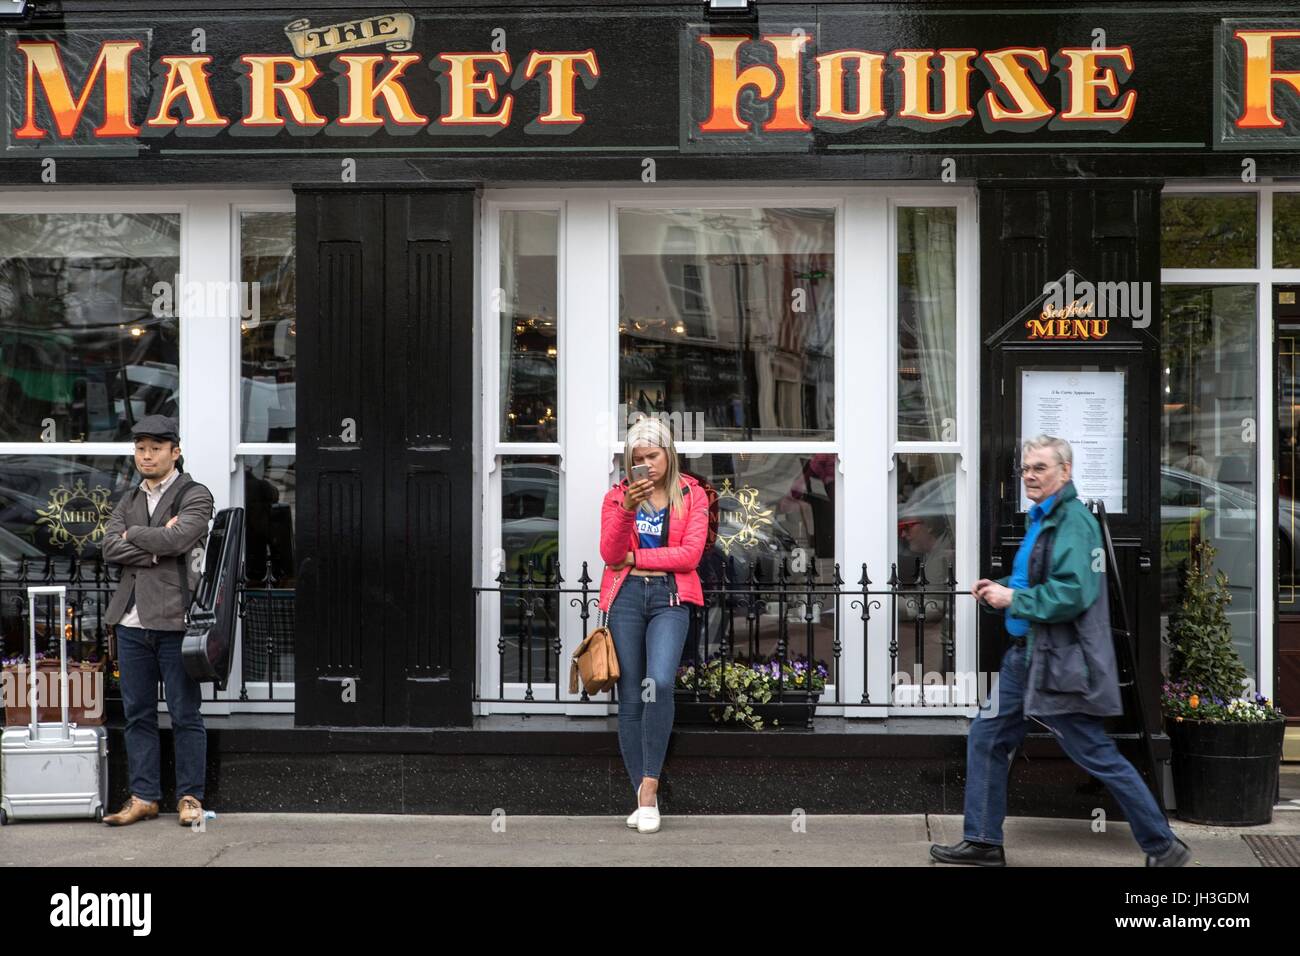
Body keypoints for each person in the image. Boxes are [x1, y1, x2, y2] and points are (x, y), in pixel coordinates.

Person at [929, 434, 1190, 867]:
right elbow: (1038, 582)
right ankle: (982, 842)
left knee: (1094, 752)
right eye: (1026, 468)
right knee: (987, 736)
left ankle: (1164, 846)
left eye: (1040, 468)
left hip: (1057, 663)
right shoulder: (1043, 517)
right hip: (1025, 658)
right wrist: (1004, 587)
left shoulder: (1074, 523)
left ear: (1065, 471)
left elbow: (1073, 593)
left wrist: (1013, 600)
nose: (1030, 476)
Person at [100, 415, 215, 827]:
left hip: (175, 620)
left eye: (155, 448)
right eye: (140, 448)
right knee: (138, 714)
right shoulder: (129, 498)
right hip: (130, 623)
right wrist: (149, 545)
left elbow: (180, 539)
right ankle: (144, 797)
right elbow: (108, 547)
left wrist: (134, 536)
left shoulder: (195, 494)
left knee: (185, 714)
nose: (146, 455)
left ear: (175, 451)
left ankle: (190, 798)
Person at [598, 416, 709, 834]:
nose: (645, 464)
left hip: (669, 598)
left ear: (669, 454)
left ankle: (649, 786)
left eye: (653, 455)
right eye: (637, 458)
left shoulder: (691, 495)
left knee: (659, 682)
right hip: (625, 598)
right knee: (630, 695)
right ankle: (645, 796)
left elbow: (689, 555)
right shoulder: (616, 498)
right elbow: (610, 553)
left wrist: (637, 558)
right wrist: (627, 511)